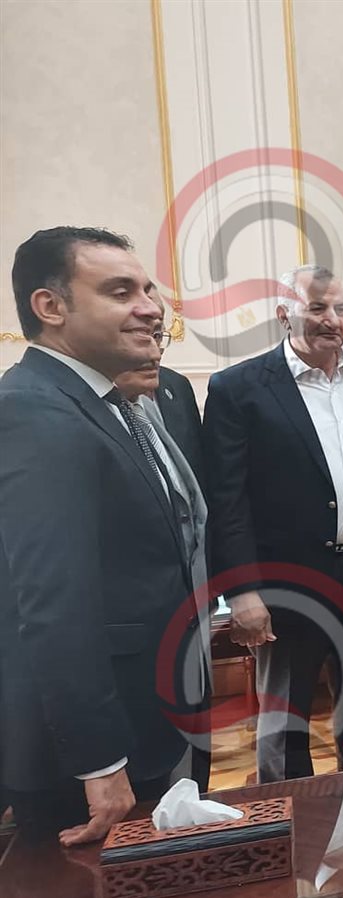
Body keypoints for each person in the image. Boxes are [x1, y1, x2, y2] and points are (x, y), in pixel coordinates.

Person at [0, 227, 204, 843]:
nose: (150, 308)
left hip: (141, 715)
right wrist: (99, 760)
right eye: (120, 292)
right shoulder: (35, 410)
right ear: (50, 306)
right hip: (85, 760)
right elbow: (54, 604)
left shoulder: (97, 402)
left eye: (148, 290)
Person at [203, 265, 343, 782]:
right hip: (285, 582)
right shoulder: (238, 387)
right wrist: (241, 591)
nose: (332, 319)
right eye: (317, 308)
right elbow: (226, 500)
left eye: (340, 308)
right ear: (284, 314)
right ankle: (285, 816)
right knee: (284, 721)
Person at [114, 322, 214, 793]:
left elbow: (197, 492)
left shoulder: (172, 387)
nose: (153, 349)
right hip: (130, 635)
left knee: (192, 748)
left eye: (159, 335)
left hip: (193, 602)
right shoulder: (59, 409)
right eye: (140, 335)